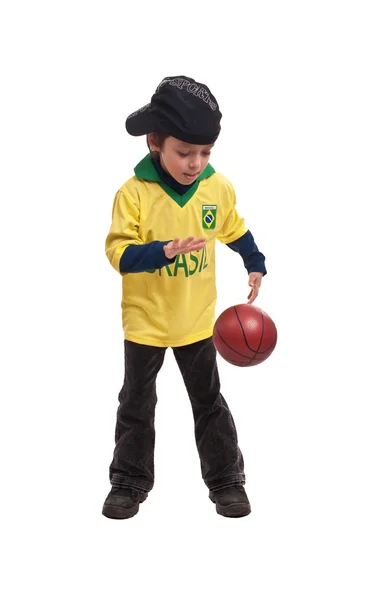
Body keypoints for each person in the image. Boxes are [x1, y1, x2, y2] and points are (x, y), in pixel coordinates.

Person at [102, 76, 267, 519]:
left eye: (205, 153)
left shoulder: (217, 188)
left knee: (209, 403)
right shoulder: (133, 194)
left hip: (197, 321)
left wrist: (254, 260)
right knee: (136, 403)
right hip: (146, 322)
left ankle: (228, 481)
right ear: (155, 142)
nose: (195, 163)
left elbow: (234, 228)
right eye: (184, 152)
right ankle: (129, 482)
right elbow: (118, 253)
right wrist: (162, 251)